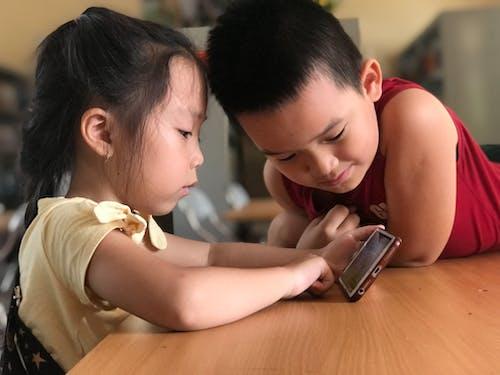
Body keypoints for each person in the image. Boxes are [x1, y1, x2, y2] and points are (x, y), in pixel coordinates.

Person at [0, 7, 379, 373]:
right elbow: (183, 299)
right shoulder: (69, 226)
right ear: (103, 132)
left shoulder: (129, 227)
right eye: (184, 132)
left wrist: (318, 257)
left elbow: (215, 256)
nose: (197, 156)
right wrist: (294, 277)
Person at [206, 0, 500, 267]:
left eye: (334, 135)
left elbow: (414, 253)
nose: (323, 166)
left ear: (370, 82)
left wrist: (309, 256)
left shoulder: (413, 118)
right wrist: (302, 247)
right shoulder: (281, 179)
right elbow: (293, 233)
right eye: (287, 155)